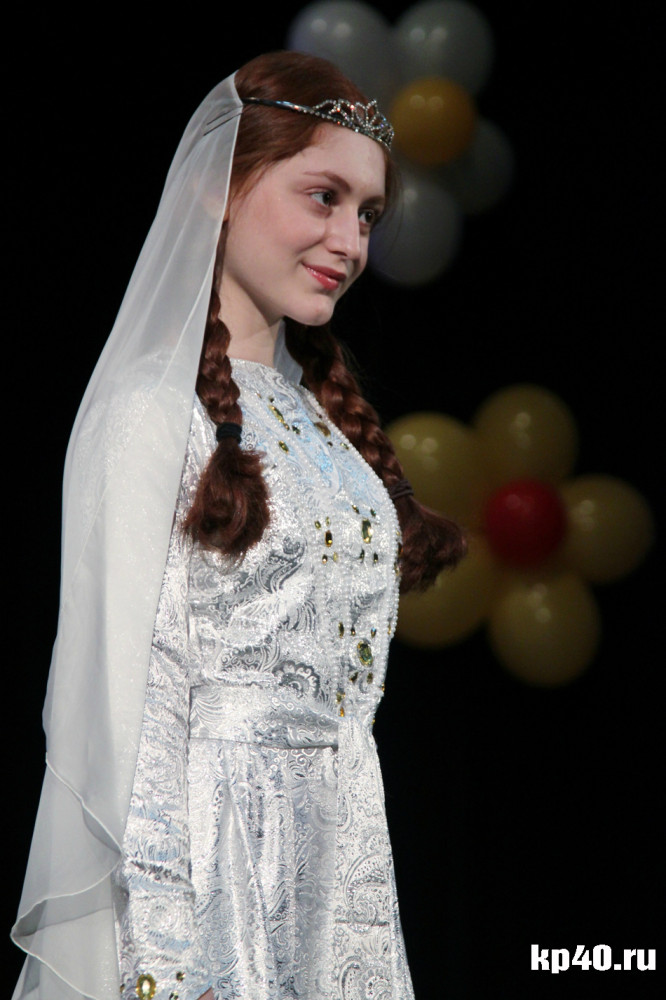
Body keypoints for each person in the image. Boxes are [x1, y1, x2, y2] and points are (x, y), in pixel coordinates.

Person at [11, 51, 464, 1000]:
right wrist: (171, 966)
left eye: (367, 214)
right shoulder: (152, 412)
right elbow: (133, 708)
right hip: (214, 872)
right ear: (220, 186)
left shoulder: (324, 428)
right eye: (323, 197)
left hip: (339, 869)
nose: (349, 241)